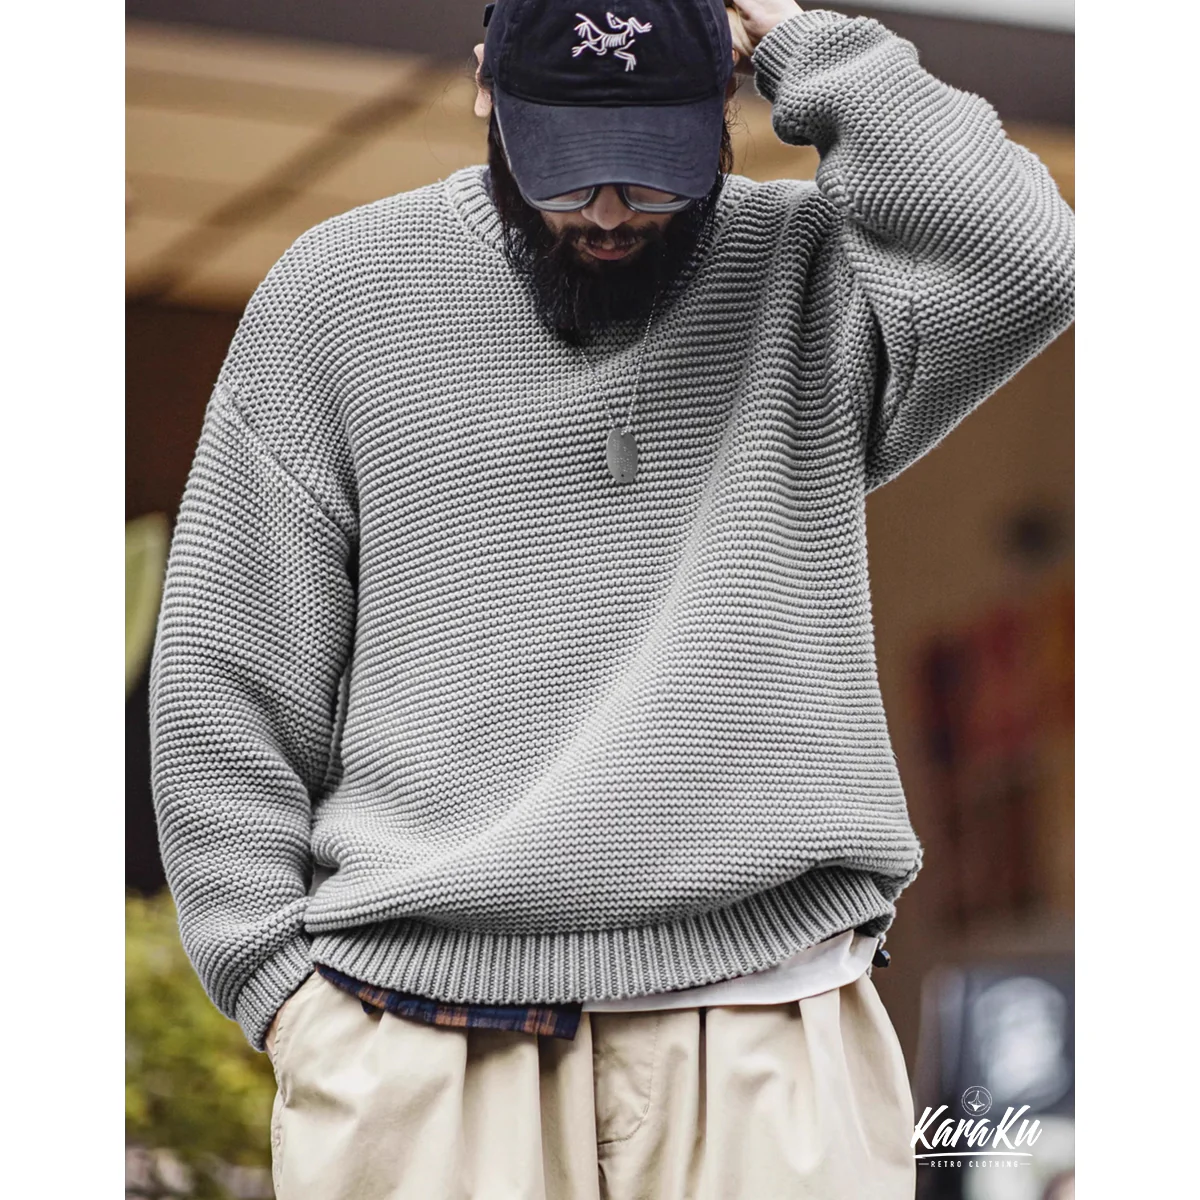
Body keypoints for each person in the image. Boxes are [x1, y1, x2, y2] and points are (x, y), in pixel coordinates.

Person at [147, 1, 1075, 1197]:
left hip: (764, 1021)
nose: (605, 210)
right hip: (416, 1035)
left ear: (725, 103)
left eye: (651, 170)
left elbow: (1027, 255)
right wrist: (284, 998)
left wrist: (808, 41)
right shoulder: (339, 294)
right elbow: (226, 670)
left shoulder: (812, 275)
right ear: (485, 90)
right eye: (568, 168)